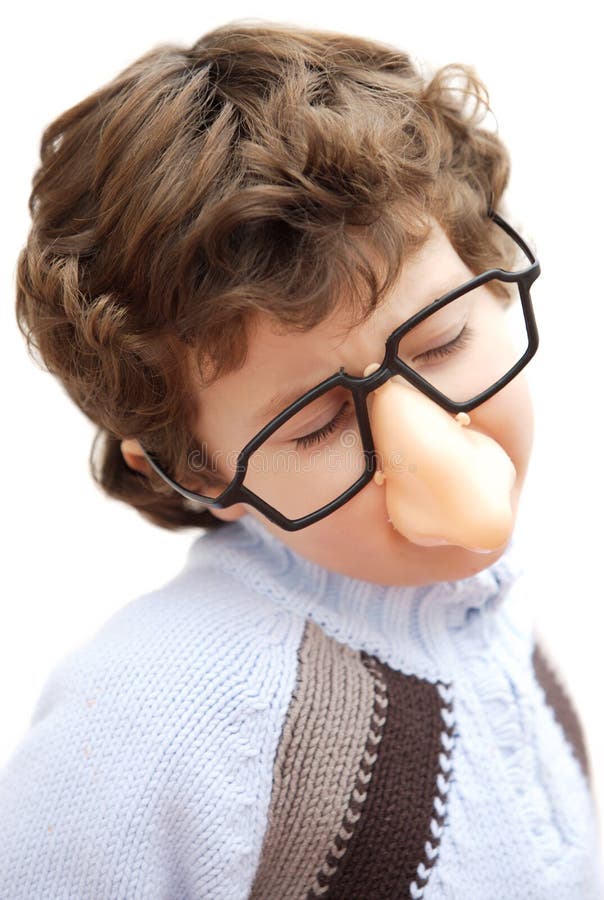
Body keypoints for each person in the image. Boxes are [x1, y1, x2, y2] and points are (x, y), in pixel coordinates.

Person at [2, 19, 602, 899]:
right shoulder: (153, 713)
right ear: (196, 471)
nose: (429, 445)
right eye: (317, 423)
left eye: (442, 341)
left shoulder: (484, 610)